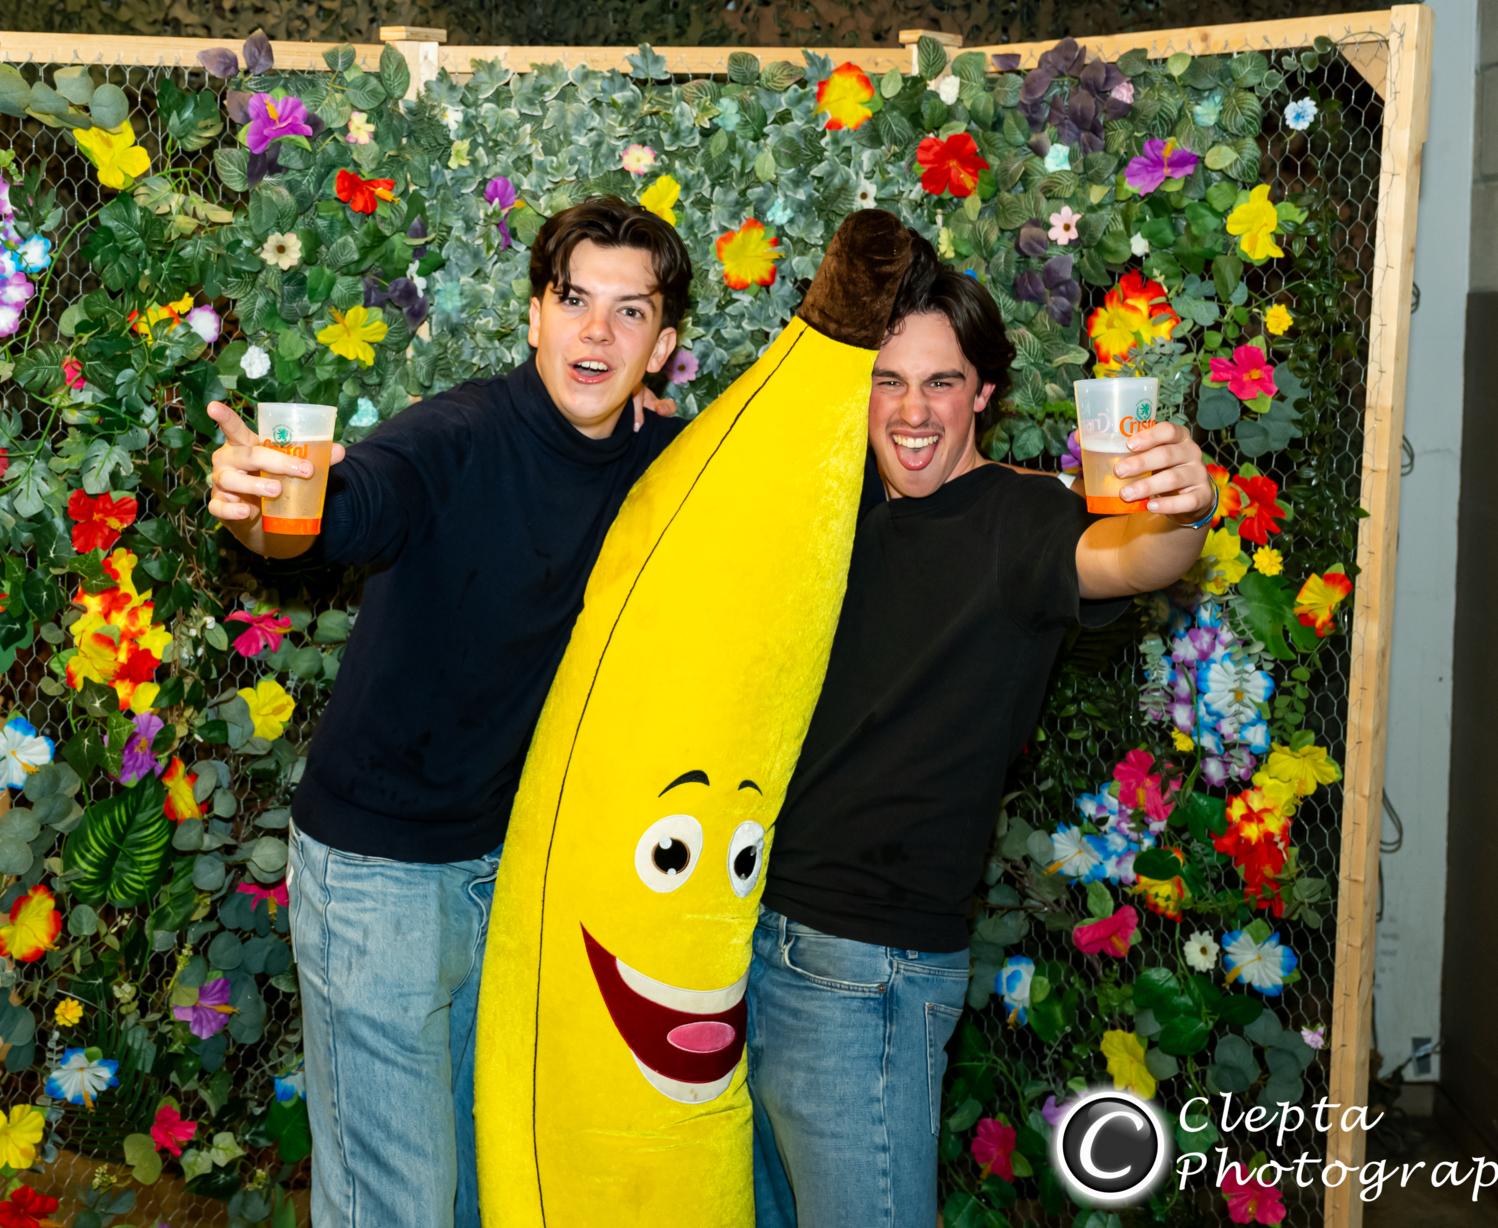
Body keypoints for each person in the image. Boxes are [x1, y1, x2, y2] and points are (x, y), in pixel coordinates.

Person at [204, 196, 690, 1227]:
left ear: (663, 347)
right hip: (378, 872)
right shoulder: (459, 433)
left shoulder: (669, 461)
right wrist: (266, 511)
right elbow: (358, 499)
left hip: (514, 874)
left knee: (482, 1190)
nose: (596, 332)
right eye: (573, 301)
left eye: (630, 312)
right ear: (535, 316)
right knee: (399, 1203)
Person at [745, 243, 1219, 1228]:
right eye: (889, 381)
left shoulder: (1021, 517)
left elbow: (1132, 558)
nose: (912, 412)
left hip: (867, 971)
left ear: (984, 394)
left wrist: (1186, 510)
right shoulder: (836, 508)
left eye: (941, 383)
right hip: (751, 943)